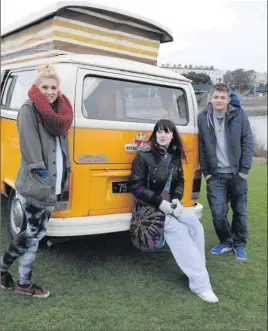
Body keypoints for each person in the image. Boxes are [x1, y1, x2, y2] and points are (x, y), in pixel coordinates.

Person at [0, 65, 73, 297]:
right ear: (37, 87)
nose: (50, 91)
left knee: (35, 233)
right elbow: (31, 151)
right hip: (36, 184)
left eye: (53, 87)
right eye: (45, 87)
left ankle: (14, 276)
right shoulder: (29, 110)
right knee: (34, 233)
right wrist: (43, 178)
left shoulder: (60, 111)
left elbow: (62, 147)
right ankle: (17, 278)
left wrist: (64, 176)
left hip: (54, 185)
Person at [129, 119, 219, 303]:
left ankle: (196, 269)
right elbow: (136, 186)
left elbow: (180, 181)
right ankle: (201, 285)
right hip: (149, 209)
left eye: (167, 132)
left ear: (172, 136)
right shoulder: (143, 155)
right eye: (160, 131)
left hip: (172, 205)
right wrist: (160, 203)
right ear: (155, 134)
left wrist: (177, 198)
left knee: (195, 224)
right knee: (180, 232)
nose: (163, 135)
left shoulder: (174, 155)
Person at [198, 83, 254, 260]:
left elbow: (248, 142)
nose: (219, 100)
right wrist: (206, 172)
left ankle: (239, 244)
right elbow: (201, 146)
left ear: (228, 99)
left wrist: (244, 171)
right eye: (216, 97)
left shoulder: (240, 115)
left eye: (223, 97)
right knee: (218, 214)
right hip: (215, 176)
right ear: (210, 99)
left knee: (240, 212)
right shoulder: (203, 117)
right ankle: (226, 241)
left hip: (237, 175)